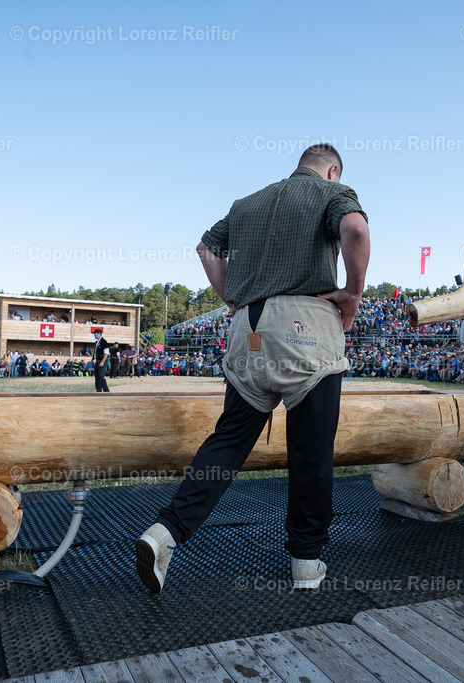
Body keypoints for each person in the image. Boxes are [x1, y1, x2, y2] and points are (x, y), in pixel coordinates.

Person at [136, 143, 370, 593]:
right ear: (332, 171)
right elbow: (356, 229)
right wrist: (353, 294)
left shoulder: (246, 204)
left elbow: (206, 248)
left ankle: (165, 532)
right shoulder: (330, 193)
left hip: (247, 326)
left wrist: (232, 298)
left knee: (227, 442)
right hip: (306, 324)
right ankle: (306, 562)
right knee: (311, 452)